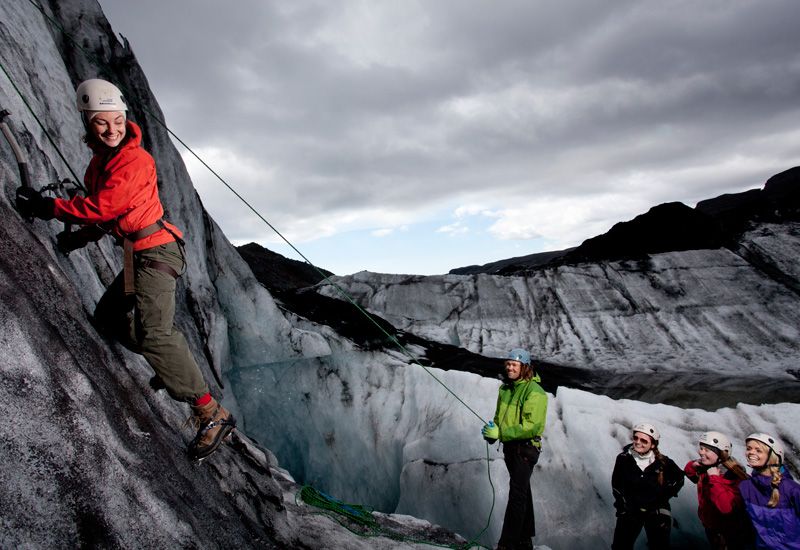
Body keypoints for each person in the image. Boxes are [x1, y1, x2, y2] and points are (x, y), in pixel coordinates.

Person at [15, 78, 235, 461]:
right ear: (88, 122)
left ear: (125, 118)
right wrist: (77, 239)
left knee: (154, 334)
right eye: (102, 122)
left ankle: (211, 414)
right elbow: (104, 217)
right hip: (140, 254)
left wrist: (46, 207)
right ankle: (170, 367)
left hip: (157, 252)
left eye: (116, 121)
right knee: (109, 318)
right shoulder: (99, 164)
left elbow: (104, 208)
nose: (112, 129)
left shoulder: (135, 160)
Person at [481, 348, 547, 550]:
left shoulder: (534, 392)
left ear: (524, 367)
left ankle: (507, 544)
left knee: (517, 496)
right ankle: (524, 540)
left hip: (525, 449)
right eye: (508, 364)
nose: (510, 367)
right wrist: (493, 431)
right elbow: (500, 417)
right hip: (511, 447)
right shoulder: (506, 389)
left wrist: (501, 434)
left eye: (514, 364)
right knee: (522, 491)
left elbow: (532, 426)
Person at [611, 422, 684, 550]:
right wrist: (622, 507)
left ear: (653, 444)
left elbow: (679, 478)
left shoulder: (663, 462)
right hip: (630, 510)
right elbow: (616, 484)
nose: (638, 442)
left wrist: (663, 496)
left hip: (656, 511)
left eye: (644, 440)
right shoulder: (623, 459)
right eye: (635, 438)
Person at [683, 431, 754, 549]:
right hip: (712, 527)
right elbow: (691, 475)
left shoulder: (733, 476)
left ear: (721, 454)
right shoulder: (708, 468)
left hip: (730, 533)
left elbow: (726, 507)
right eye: (701, 448)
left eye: (707, 450)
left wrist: (714, 479)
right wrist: (692, 465)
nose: (701, 452)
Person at [739, 433, 800, 549]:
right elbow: (746, 527)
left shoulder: (791, 489)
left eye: (758, 450)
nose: (751, 452)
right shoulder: (745, 487)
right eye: (749, 448)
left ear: (772, 456)